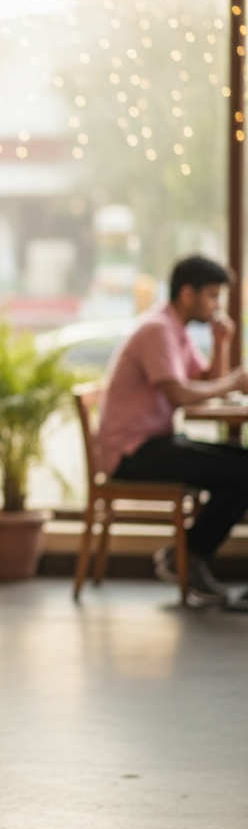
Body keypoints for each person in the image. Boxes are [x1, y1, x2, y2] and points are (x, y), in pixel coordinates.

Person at [97, 254, 248, 606]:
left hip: (156, 442)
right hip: (131, 453)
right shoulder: (158, 331)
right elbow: (180, 394)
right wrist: (231, 383)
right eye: (211, 295)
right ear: (187, 294)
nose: (216, 305)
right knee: (242, 472)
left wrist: (222, 345)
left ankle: (187, 555)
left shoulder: (175, 331)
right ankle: (188, 557)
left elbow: (203, 380)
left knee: (243, 465)